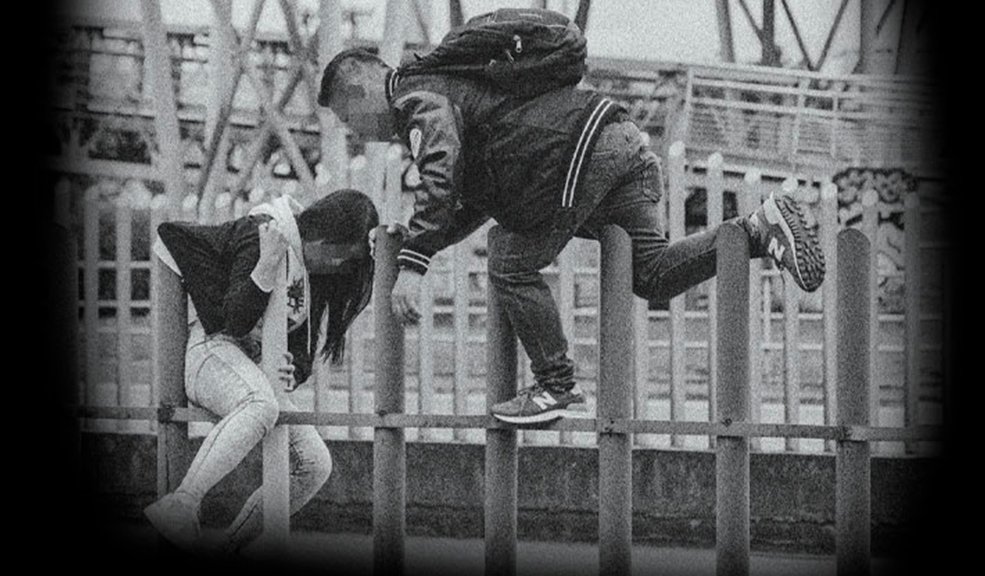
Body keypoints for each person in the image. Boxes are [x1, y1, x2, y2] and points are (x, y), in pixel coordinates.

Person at [317, 34, 824, 425]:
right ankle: (759, 228)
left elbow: (441, 167)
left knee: (511, 261)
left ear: (360, 89)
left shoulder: (413, 96)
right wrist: (419, 240)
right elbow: (469, 201)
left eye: (346, 117)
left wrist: (413, 263)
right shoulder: (444, 91)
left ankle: (556, 384)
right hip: (620, 145)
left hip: (577, 153)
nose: (352, 132)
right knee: (650, 274)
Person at [143, 189, 379, 551]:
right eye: (344, 259)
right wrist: (266, 267)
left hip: (254, 366)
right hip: (211, 350)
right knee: (260, 404)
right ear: (325, 239)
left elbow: (303, 345)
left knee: (315, 464)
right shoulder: (262, 235)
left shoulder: (307, 268)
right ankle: (182, 503)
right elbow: (234, 320)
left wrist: (292, 369)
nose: (342, 269)